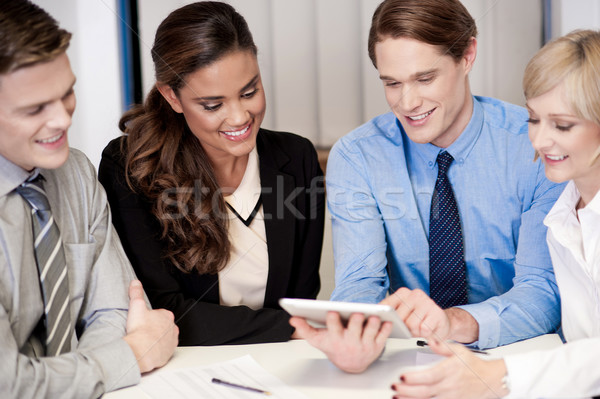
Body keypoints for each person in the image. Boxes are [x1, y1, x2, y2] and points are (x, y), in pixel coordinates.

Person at [291, 0, 565, 373]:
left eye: (424, 78)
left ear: (467, 55)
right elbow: (361, 284)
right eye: (392, 83)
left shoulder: (534, 145)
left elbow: (543, 293)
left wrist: (454, 323)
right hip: (408, 359)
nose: (408, 103)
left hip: (516, 360)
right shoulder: (358, 156)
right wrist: (355, 331)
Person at [388, 28, 600, 399]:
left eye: (562, 125)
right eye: (534, 119)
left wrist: (502, 375)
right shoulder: (564, 210)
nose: (540, 140)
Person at [98, 1, 324, 346]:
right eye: (212, 105)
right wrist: (289, 327)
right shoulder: (130, 166)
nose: (238, 118)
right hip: (184, 370)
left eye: (250, 92)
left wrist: (295, 328)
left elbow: (302, 302)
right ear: (172, 97)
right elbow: (164, 314)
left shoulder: (297, 158)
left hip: (280, 361)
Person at [0, 1, 178, 398]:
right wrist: (130, 355)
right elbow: (8, 383)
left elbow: (114, 309)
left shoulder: (75, 173)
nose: (63, 120)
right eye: (35, 109)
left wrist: (78, 381)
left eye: (66, 94)